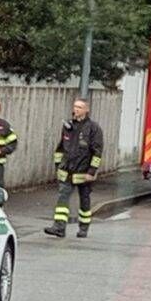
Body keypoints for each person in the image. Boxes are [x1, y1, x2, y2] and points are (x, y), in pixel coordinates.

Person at [44, 98, 103, 239]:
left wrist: (92, 171)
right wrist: (58, 166)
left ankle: (83, 228)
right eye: (75, 106)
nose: (76, 109)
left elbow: (97, 152)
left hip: (83, 172)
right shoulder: (68, 126)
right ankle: (59, 227)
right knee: (62, 197)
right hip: (67, 170)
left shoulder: (94, 128)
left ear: (86, 110)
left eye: (80, 107)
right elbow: (61, 147)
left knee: (84, 200)